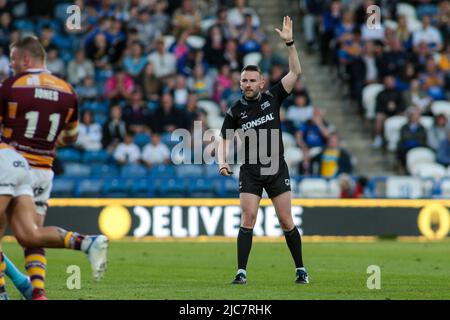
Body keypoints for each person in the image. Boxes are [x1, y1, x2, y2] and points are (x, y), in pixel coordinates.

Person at [0, 36, 108, 300]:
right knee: (30, 236)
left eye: (13, 59)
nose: (11, 64)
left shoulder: (13, 86)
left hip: (9, 159)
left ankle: (3, 291)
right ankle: (37, 289)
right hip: (42, 169)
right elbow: (71, 137)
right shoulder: (67, 91)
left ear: (26, 58)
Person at [218, 17, 308, 285]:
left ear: (261, 83)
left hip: (276, 167)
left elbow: (296, 73)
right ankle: (241, 271)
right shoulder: (235, 110)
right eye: (243, 80)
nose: (246, 84)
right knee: (248, 218)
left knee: (286, 221)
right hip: (251, 170)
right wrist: (222, 162)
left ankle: (301, 269)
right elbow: (223, 139)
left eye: (251, 80)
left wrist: (290, 43)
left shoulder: (273, 97)